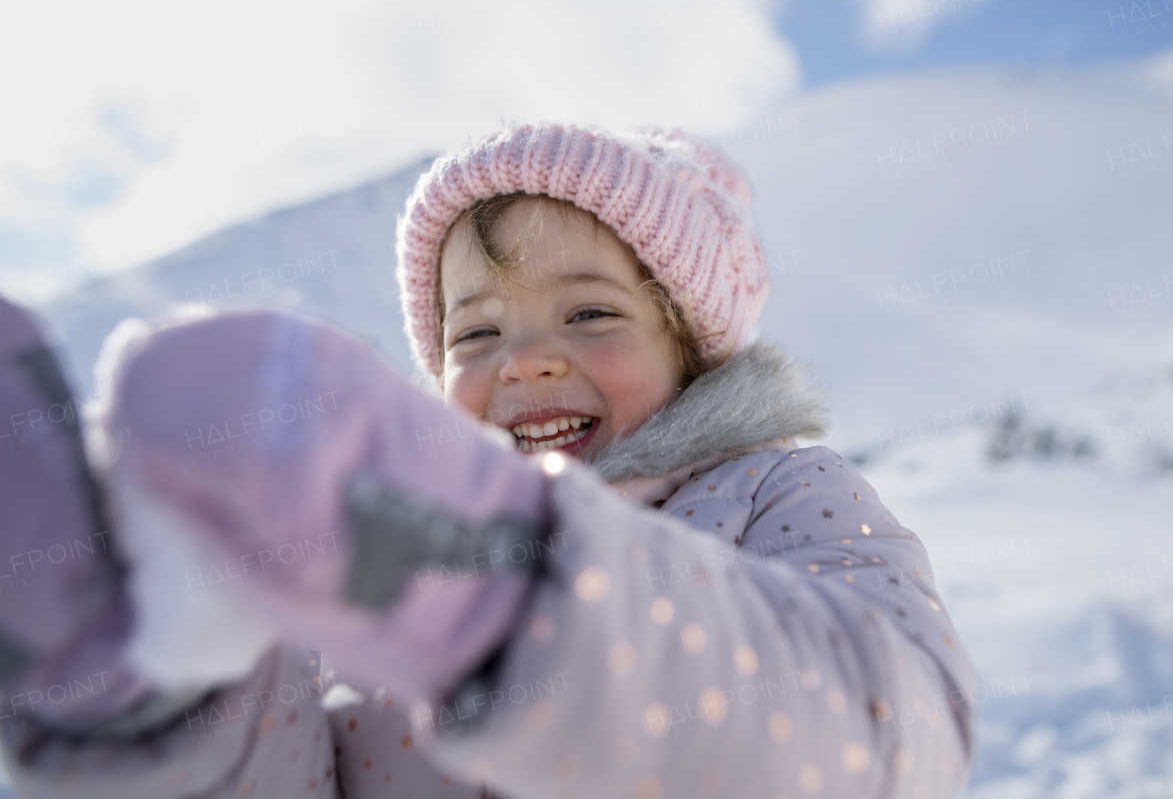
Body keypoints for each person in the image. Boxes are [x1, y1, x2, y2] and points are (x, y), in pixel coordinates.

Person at [0, 123, 976, 798]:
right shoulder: (364, 572)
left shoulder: (776, 494)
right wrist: (170, 696)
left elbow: (893, 734)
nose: (525, 359)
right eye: (475, 332)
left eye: (589, 313)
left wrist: (511, 587)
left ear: (689, 347)